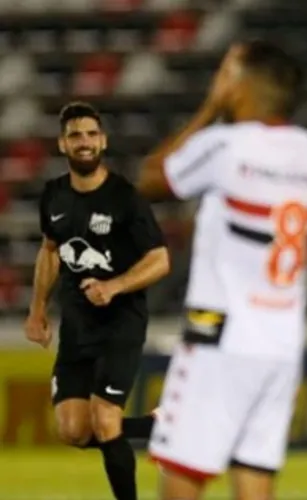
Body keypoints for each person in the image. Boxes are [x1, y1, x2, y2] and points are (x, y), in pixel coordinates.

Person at [134, 40, 307, 500]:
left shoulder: (225, 146)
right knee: (255, 477)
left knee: (183, 471)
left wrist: (210, 106)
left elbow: (150, 179)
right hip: (280, 341)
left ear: (238, 85)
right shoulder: (306, 151)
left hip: (219, 338)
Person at [25, 101, 170, 500]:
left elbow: (160, 259)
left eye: (91, 134)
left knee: (106, 422)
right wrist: (37, 309)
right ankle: (161, 429)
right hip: (77, 328)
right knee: (73, 430)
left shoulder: (125, 198)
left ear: (103, 140)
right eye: (75, 135)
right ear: (62, 144)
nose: (84, 142)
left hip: (120, 324)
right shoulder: (54, 195)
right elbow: (51, 250)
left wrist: (115, 286)